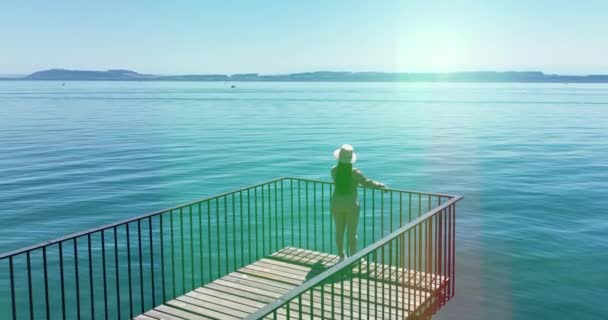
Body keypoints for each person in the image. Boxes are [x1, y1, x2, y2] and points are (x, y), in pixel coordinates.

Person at [331, 144, 386, 259]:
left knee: (339, 231)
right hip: (351, 205)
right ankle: (353, 258)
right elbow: (367, 183)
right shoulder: (355, 173)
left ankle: (341, 255)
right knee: (352, 233)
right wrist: (380, 185)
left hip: (336, 204)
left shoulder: (334, 170)